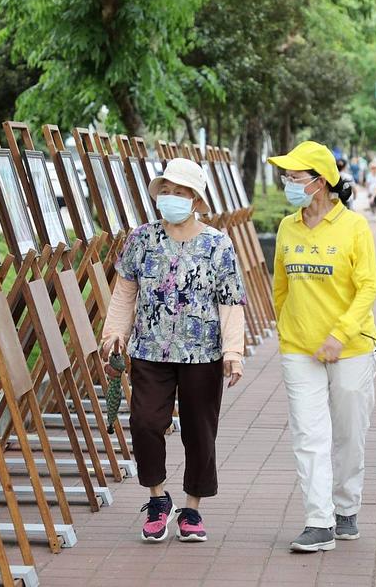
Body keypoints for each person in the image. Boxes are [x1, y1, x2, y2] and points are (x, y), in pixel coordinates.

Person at [100, 157, 247, 543]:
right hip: (150, 349)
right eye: (165, 191)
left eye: (179, 193)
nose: (170, 198)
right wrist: (114, 331)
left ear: (196, 200)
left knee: (200, 431)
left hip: (203, 354)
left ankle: (192, 509)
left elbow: (231, 301)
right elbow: (125, 290)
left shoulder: (218, 244)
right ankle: (157, 497)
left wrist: (234, 352)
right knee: (145, 421)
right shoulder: (142, 239)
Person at [268, 140, 376, 553]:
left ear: (320, 182)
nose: (288, 184)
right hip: (299, 349)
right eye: (287, 177)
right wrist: (287, 331)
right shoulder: (286, 227)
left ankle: (346, 508)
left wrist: (340, 334)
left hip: (351, 348)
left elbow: (368, 286)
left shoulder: (354, 227)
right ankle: (319, 521)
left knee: (349, 434)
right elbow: (279, 286)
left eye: (295, 177)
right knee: (309, 434)